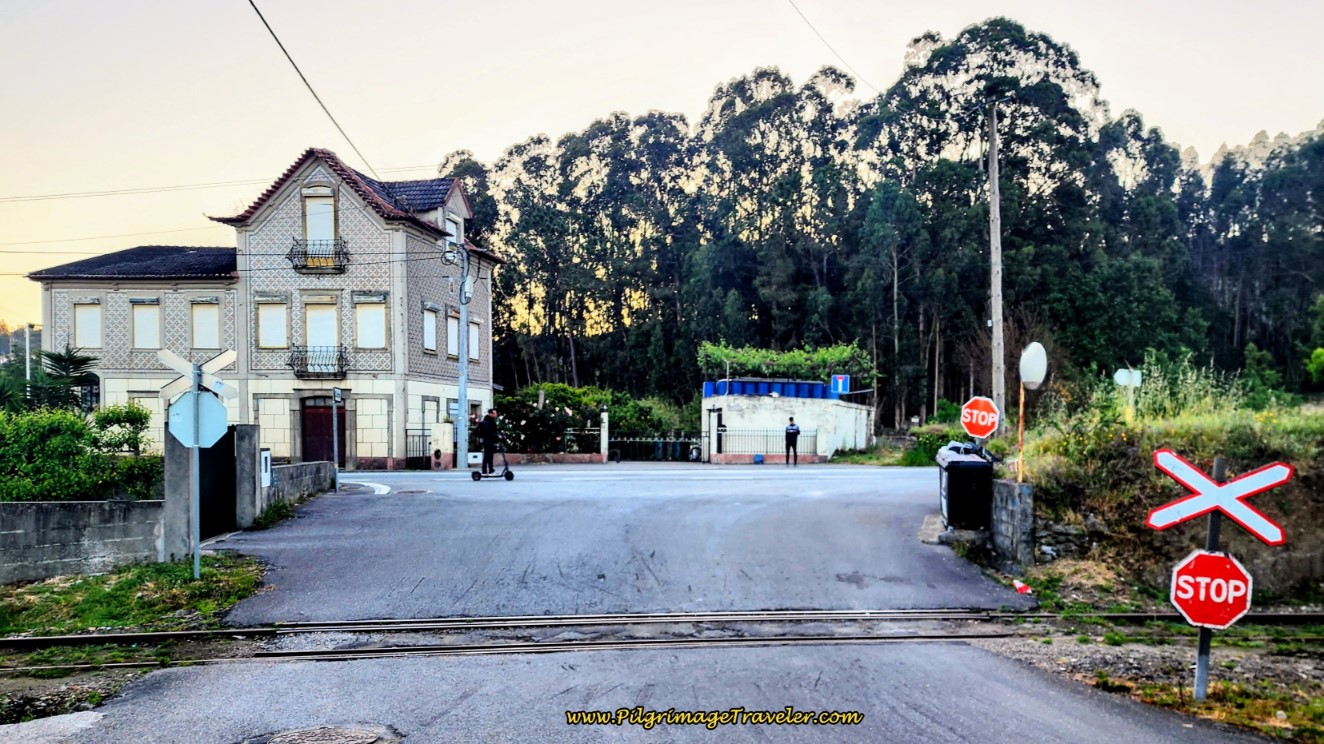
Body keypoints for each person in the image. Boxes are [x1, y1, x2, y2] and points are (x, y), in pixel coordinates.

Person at [478, 408, 502, 475]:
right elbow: (489, 432)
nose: (496, 414)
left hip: (489, 440)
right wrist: (497, 436)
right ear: (490, 414)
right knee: (488, 455)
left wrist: (498, 435)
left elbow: (493, 430)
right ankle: (486, 470)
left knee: (489, 455)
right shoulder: (488, 421)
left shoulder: (490, 420)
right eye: (494, 413)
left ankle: (488, 470)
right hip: (488, 440)